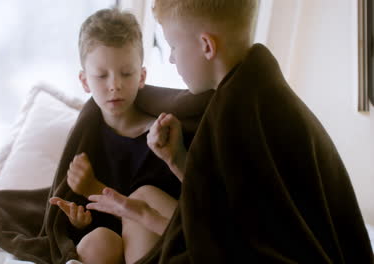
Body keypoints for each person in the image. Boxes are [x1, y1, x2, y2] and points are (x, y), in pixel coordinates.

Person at [85, 0, 374, 263]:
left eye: (173, 46)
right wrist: (178, 161)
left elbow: (235, 241)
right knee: (145, 196)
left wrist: (140, 214)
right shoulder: (248, 88)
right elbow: (232, 200)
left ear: (206, 46)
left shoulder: (244, 110)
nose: (172, 59)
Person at [47, 8, 185, 264]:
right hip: (112, 243)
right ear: (85, 81)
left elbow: (172, 220)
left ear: (142, 76)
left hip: (156, 245)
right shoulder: (89, 132)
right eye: (101, 76)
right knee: (97, 240)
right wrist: (78, 222)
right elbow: (91, 219)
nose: (114, 85)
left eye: (126, 73)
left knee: (143, 195)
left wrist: (94, 189)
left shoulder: (159, 135)